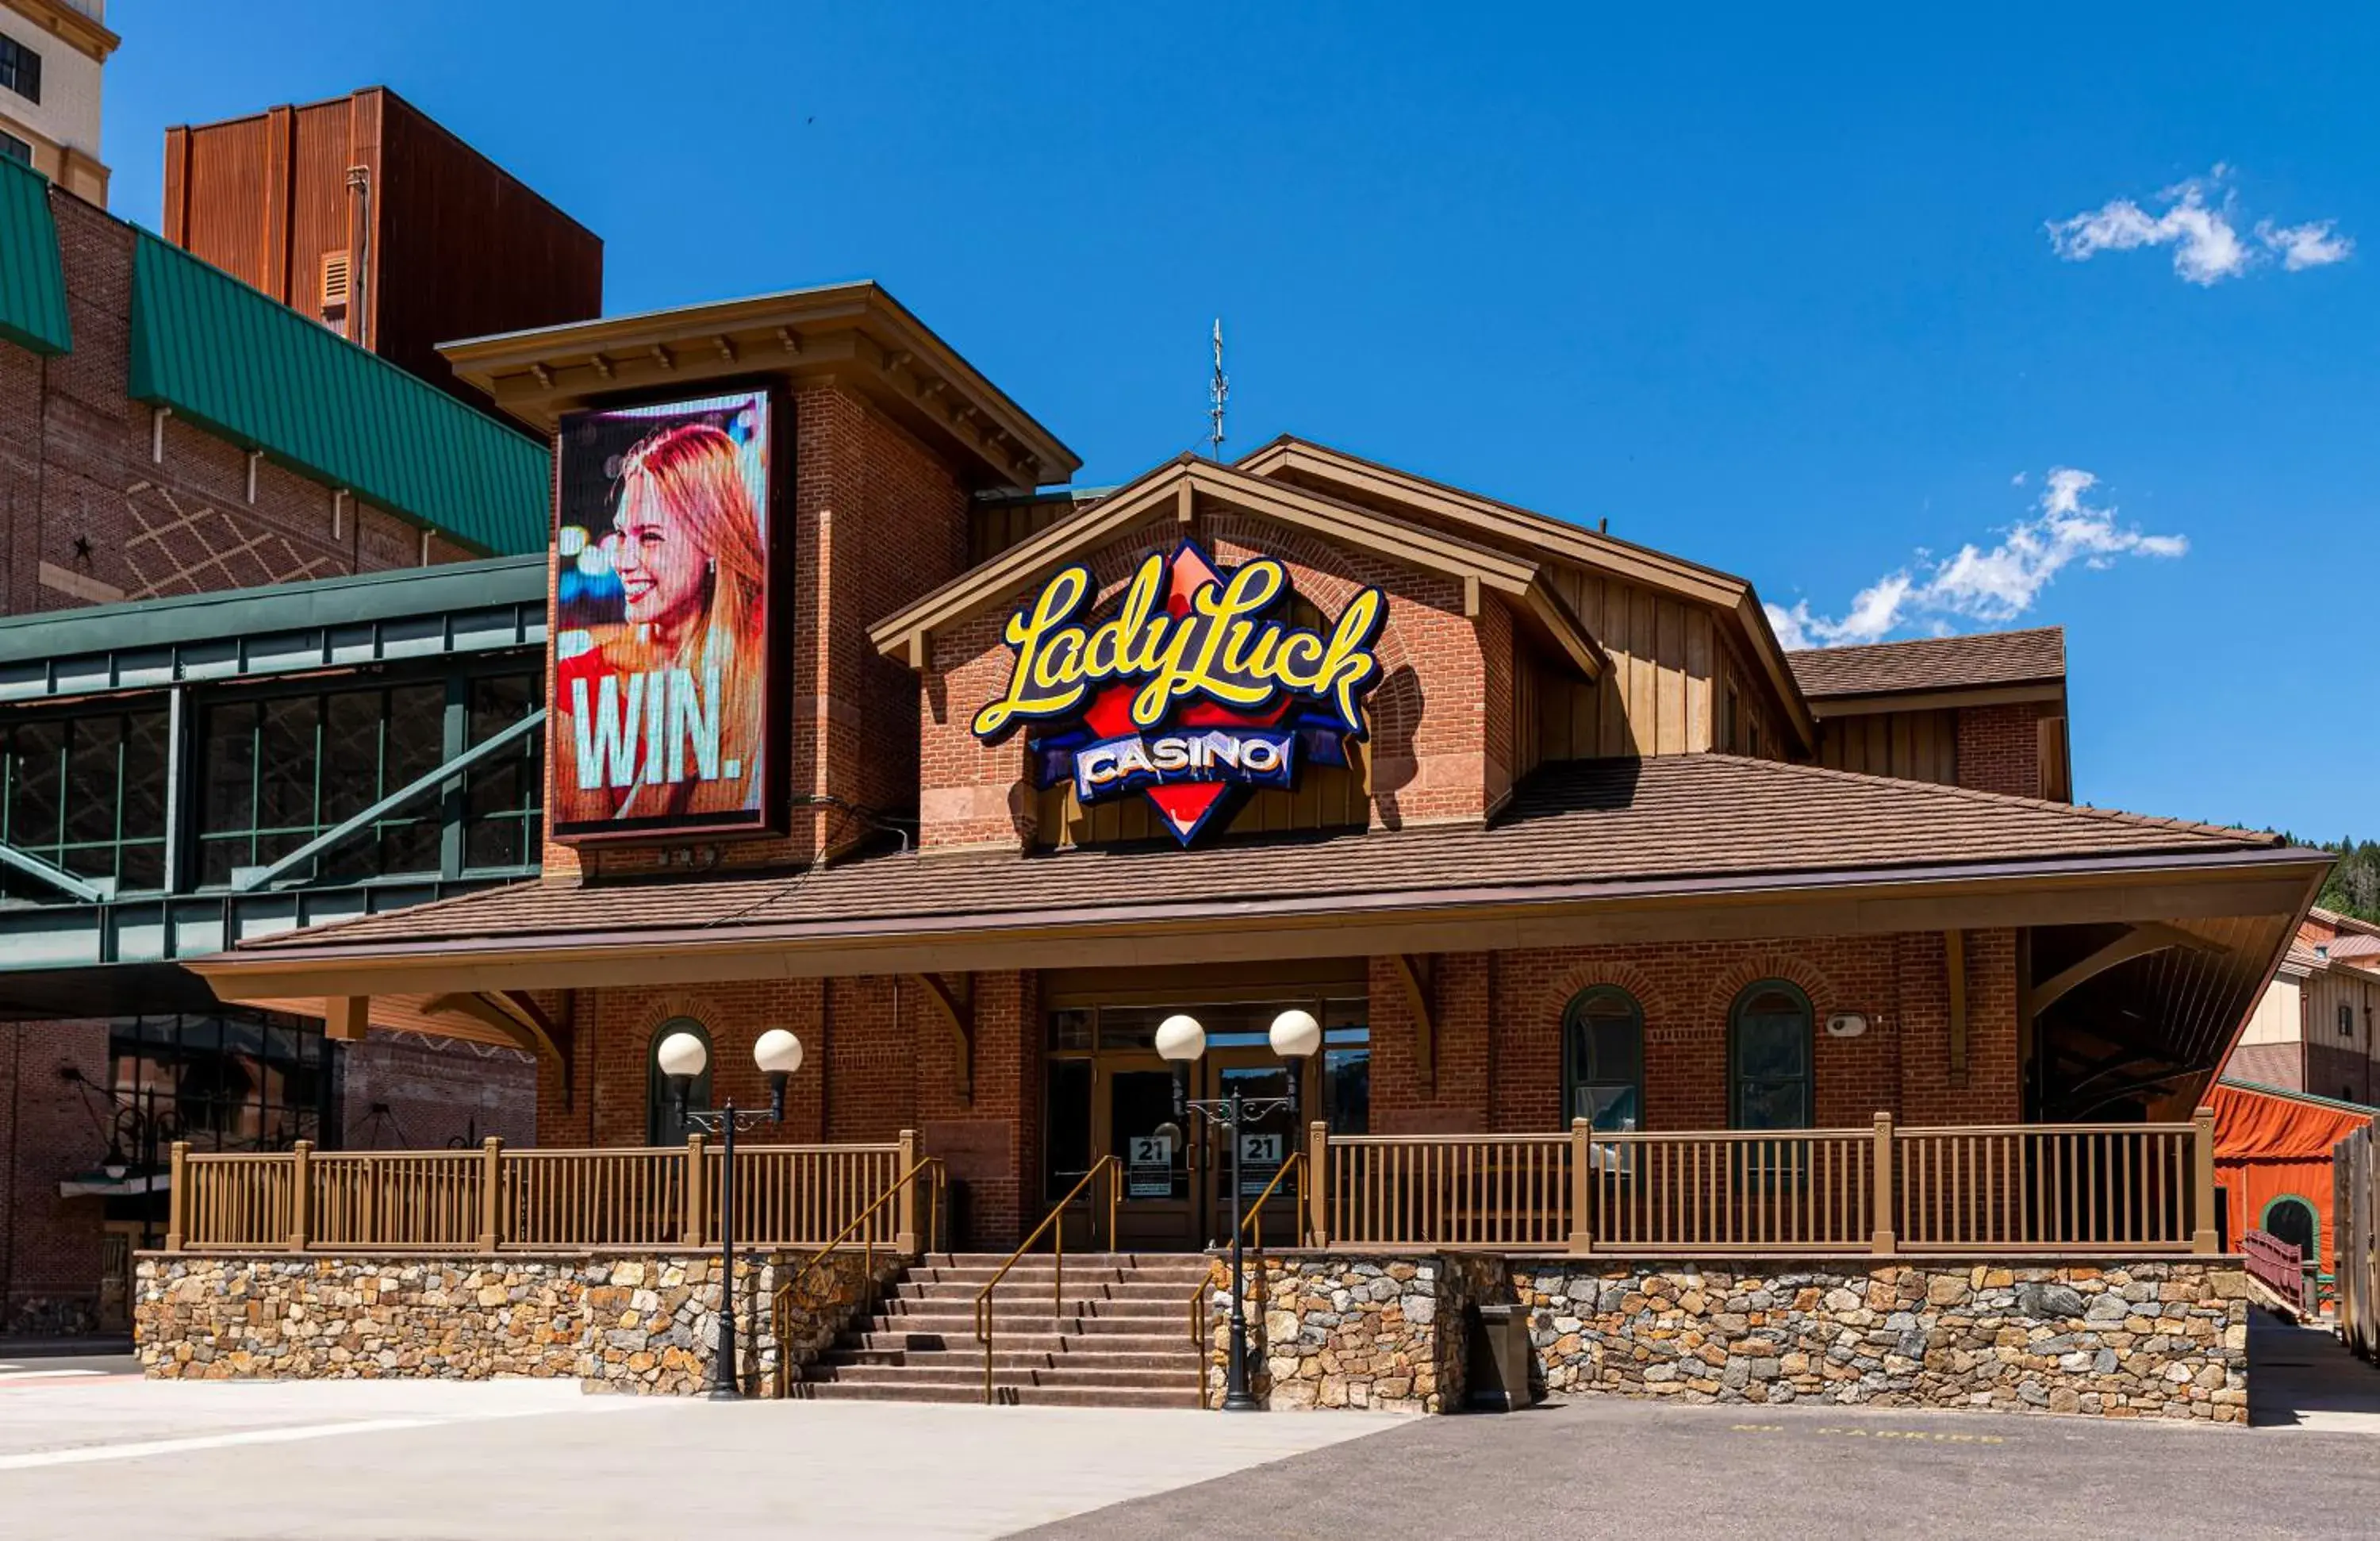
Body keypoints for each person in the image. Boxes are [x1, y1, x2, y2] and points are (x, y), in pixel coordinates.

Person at [556, 421, 767, 827]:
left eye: (651, 538)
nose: (624, 561)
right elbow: (599, 853)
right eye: (622, 534)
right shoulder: (579, 682)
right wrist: (669, 763)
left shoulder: (756, 666)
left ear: (712, 541)